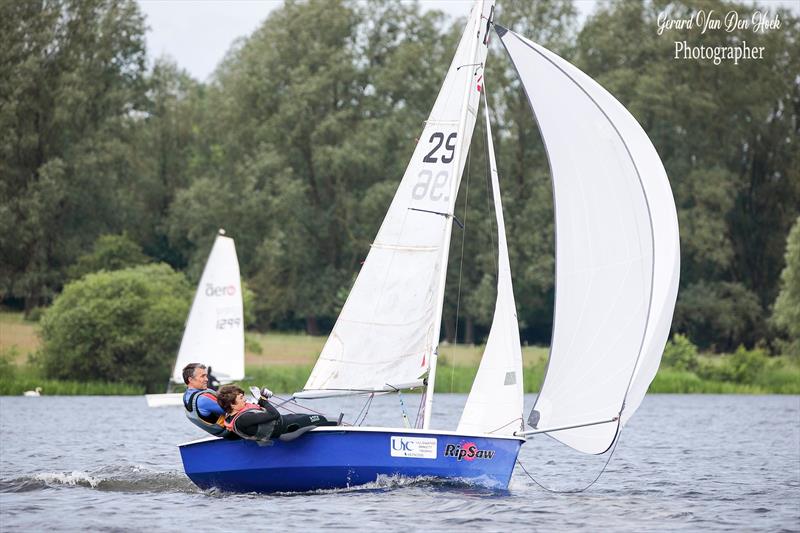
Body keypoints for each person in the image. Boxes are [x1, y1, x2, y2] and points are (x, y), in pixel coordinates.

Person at [217, 385, 337, 445]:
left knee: (320, 419)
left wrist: (263, 399)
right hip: (289, 427)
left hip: (288, 420)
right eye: (241, 398)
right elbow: (274, 414)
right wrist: (261, 400)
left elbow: (257, 411)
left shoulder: (231, 417)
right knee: (326, 419)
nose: (245, 399)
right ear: (232, 404)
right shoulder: (243, 419)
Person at [182, 363, 232, 438]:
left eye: (206, 375)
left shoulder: (186, 396)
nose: (207, 379)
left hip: (221, 434)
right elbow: (233, 409)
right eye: (202, 376)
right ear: (190, 380)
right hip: (232, 432)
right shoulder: (203, 399)